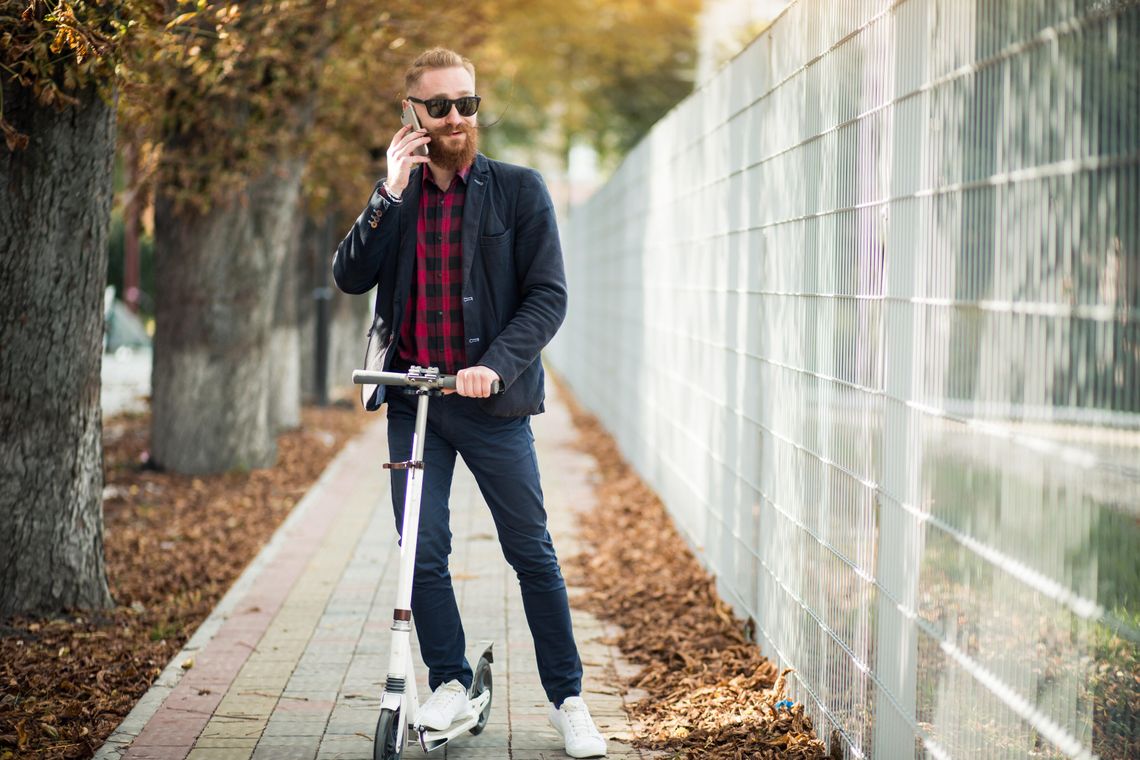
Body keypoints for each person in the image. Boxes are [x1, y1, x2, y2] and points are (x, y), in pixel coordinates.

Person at [332, 47, 607, 759]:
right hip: (413, 400)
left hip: (492, 402)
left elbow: (548, 296)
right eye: (440, 106)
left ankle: (568, 697)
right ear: (412, 116)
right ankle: (451, 681)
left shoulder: (518, 190)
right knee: (418, 553)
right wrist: (386, 193)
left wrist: (492, 366)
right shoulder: (398, 199)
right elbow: (349, 275)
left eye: (467, 103)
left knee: (531, 552)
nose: (456, 117)